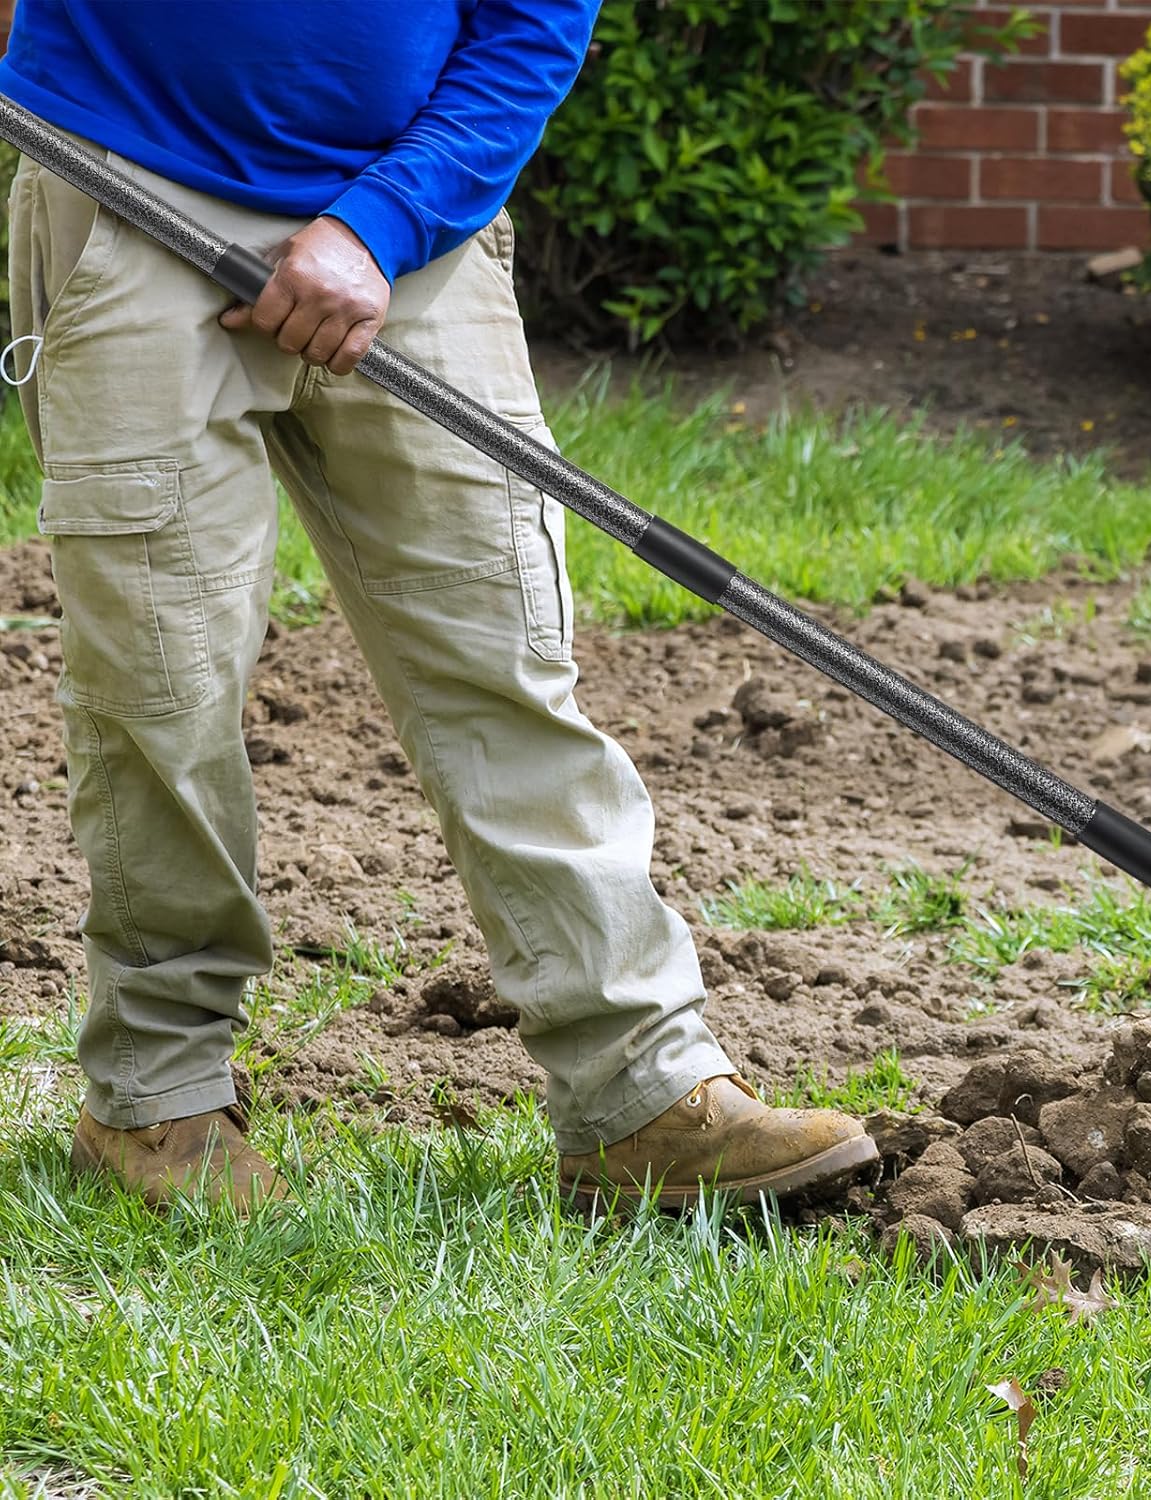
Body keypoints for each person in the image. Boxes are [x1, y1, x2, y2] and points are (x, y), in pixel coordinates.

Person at [0, 0, 877, 1212]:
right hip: (128, 188)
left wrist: (384, 222)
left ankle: (641, 1092)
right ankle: (158, 1096)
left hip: (412, 213)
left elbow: (536, 15)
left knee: (501, 657)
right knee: (162, 682)